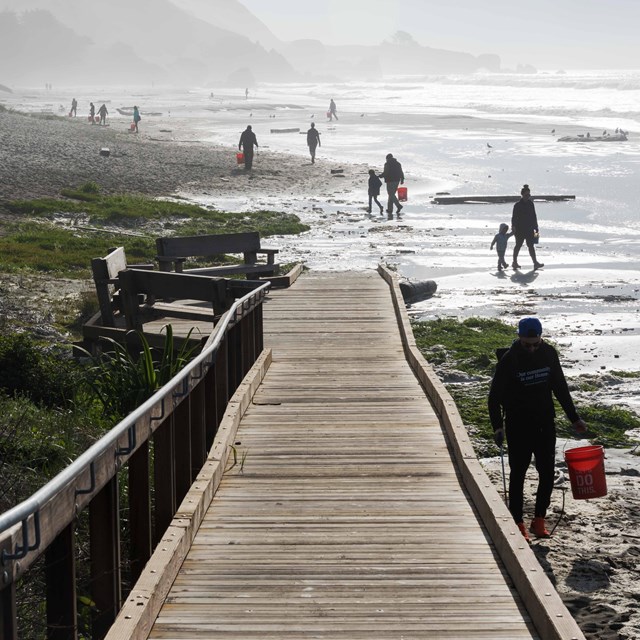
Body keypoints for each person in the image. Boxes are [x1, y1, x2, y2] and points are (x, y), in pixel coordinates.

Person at [488, 317, 587, 542]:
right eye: (527, 344)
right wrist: (497, 427)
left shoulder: (549, 353)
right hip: (517, 425)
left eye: (535, 344)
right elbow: (494, 399)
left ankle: (539, 519)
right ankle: (518, 523)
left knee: (547, 473)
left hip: (545, 423)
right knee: (518, 474)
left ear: (541, 338)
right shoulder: (508, 360)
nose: (532, 349)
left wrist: (574, 419)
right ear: (519, 338)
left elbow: (560, 387)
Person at [511, 184, 543, 270]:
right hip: (519, 229)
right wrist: (513, 226)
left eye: (529, 195)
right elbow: (514, 217)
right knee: (518, 245)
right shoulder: (517, 205)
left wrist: (536, 228)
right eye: (526, 195)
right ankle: (514, 262)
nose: (528, 196)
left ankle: (535, 263)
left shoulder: (530, 204)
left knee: (531, 246)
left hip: (530, 229)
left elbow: (534, 216)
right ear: (522, 195)